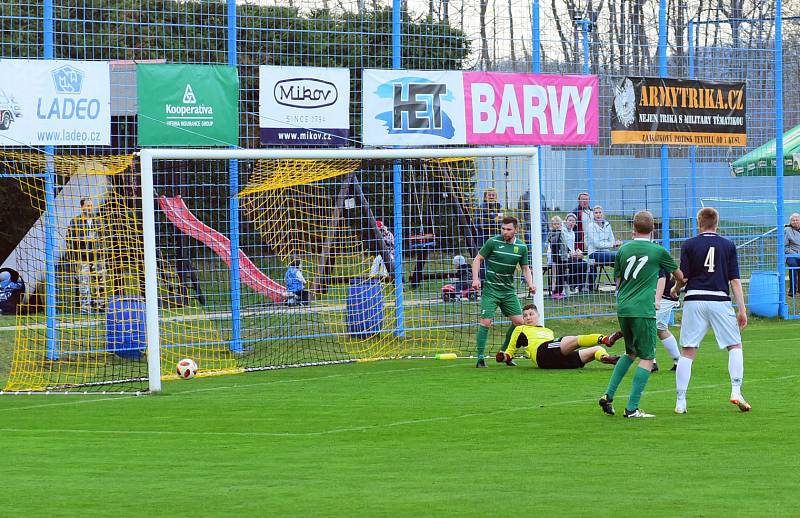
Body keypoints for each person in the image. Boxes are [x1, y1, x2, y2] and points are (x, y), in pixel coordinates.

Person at [598, 210, 684, 418]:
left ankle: (608, 396)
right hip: (643, 310)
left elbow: (618, 280)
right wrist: (676, 288)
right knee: (648, 357)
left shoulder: (623, 250)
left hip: (624, 307)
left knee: (630, 353)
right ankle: (632, 408)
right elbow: (679, 275)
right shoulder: (658, 251)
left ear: (633, 229)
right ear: (653, 229)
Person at [670, 207, 750, 414]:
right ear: (717, 223)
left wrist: (676, 289)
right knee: (734, 345)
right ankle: (735, 391)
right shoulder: (728, 245)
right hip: (719, 299)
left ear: (699, 223)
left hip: (694, 299)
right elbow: (734, 281)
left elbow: (683, 277)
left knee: (687, 351)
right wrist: (742, 309)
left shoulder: (689, 244)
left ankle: (680, 401)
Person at [472, 216, 537, 368]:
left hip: (508, 291)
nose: (505, 232)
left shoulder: (521, 247)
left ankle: (504, 353)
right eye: (503, 229)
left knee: (520, 323)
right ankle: (480, 358)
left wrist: (531, 284)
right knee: (486, 321)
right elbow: (477, 259)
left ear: (516, 230)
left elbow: (526, 269)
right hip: (491, 290)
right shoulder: (492, 242)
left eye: (509, 229)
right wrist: (476, 279)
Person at [496, 303, 621, 368]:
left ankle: (606, 358)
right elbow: (510, 351)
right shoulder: (521, 329)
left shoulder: (548, 331)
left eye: (531, 314)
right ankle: (606, 339)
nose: (528, 317)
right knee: (574, 339)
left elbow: (555, 346)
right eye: (525, 315)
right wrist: (503, 357)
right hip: (542, 355)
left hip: (555, 359)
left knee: (597, 350)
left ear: (538, 315)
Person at [66, 198, 105, 313]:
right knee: (84, 284)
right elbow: (69, 239)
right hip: (82, 257)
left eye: (91, 206)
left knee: (99, 282)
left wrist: (100, 247)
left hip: (97, 257)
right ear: (82, 207)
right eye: (87, 206)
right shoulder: (75, 221)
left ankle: (100, 306)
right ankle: (85, 308)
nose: (89, 208)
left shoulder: (97, 221)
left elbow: (104, 237)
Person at [651, 269, 681, 373]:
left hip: (665, 296)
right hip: (666, 295)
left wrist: (657, 300)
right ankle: (678, 361)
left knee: (649, 327)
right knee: (661, 329)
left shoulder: (655, 255)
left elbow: (662, 277)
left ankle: (651, 362)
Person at [586, 205, 621, 291]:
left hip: (606, 252)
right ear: (593, 215)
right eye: (596, 213)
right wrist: (611, 244)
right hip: (594, 253)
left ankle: (619, 286)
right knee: (618, 256)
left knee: (621, 259)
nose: (598, 214)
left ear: (603, 214)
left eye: (600, 212)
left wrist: (615, 244)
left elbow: (612, 239)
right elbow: (596, 244)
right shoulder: (591, 226)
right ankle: (618, 286)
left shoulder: (607, 224)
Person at [561, 213, 589, 292]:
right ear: (566, 221)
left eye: (573, 221)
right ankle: (571, 284)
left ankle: (580, 287)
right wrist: (570, 254)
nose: (571, 223)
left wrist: (577, 252)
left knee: (584, 263)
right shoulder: (561, 231)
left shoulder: (572, 233)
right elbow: (561, 249)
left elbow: (571, 248)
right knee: (576, 264)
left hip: (571, 255)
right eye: (570, 220)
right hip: (562, 256)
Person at [547, 216, 568, 299]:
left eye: (558, 224)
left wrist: (565, 255)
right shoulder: (552, 233)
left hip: (562, 257)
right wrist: (558, 233)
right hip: (555, 257)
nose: (557, 225)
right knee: (555, 274)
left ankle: (560, 291)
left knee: (561, 274)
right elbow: (553, 241)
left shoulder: (562, 233)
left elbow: (564, 245)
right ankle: (555, 291)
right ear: (552, 225)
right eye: (555, 224)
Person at [785, 212, 800, 296]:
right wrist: (794, 254)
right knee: (793, 265)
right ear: (790, 222)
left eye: (797, 220)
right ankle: (792, 291)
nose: (795, 222)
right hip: (791, 254)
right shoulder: (787, 230)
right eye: (793, 220)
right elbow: (785, 246)